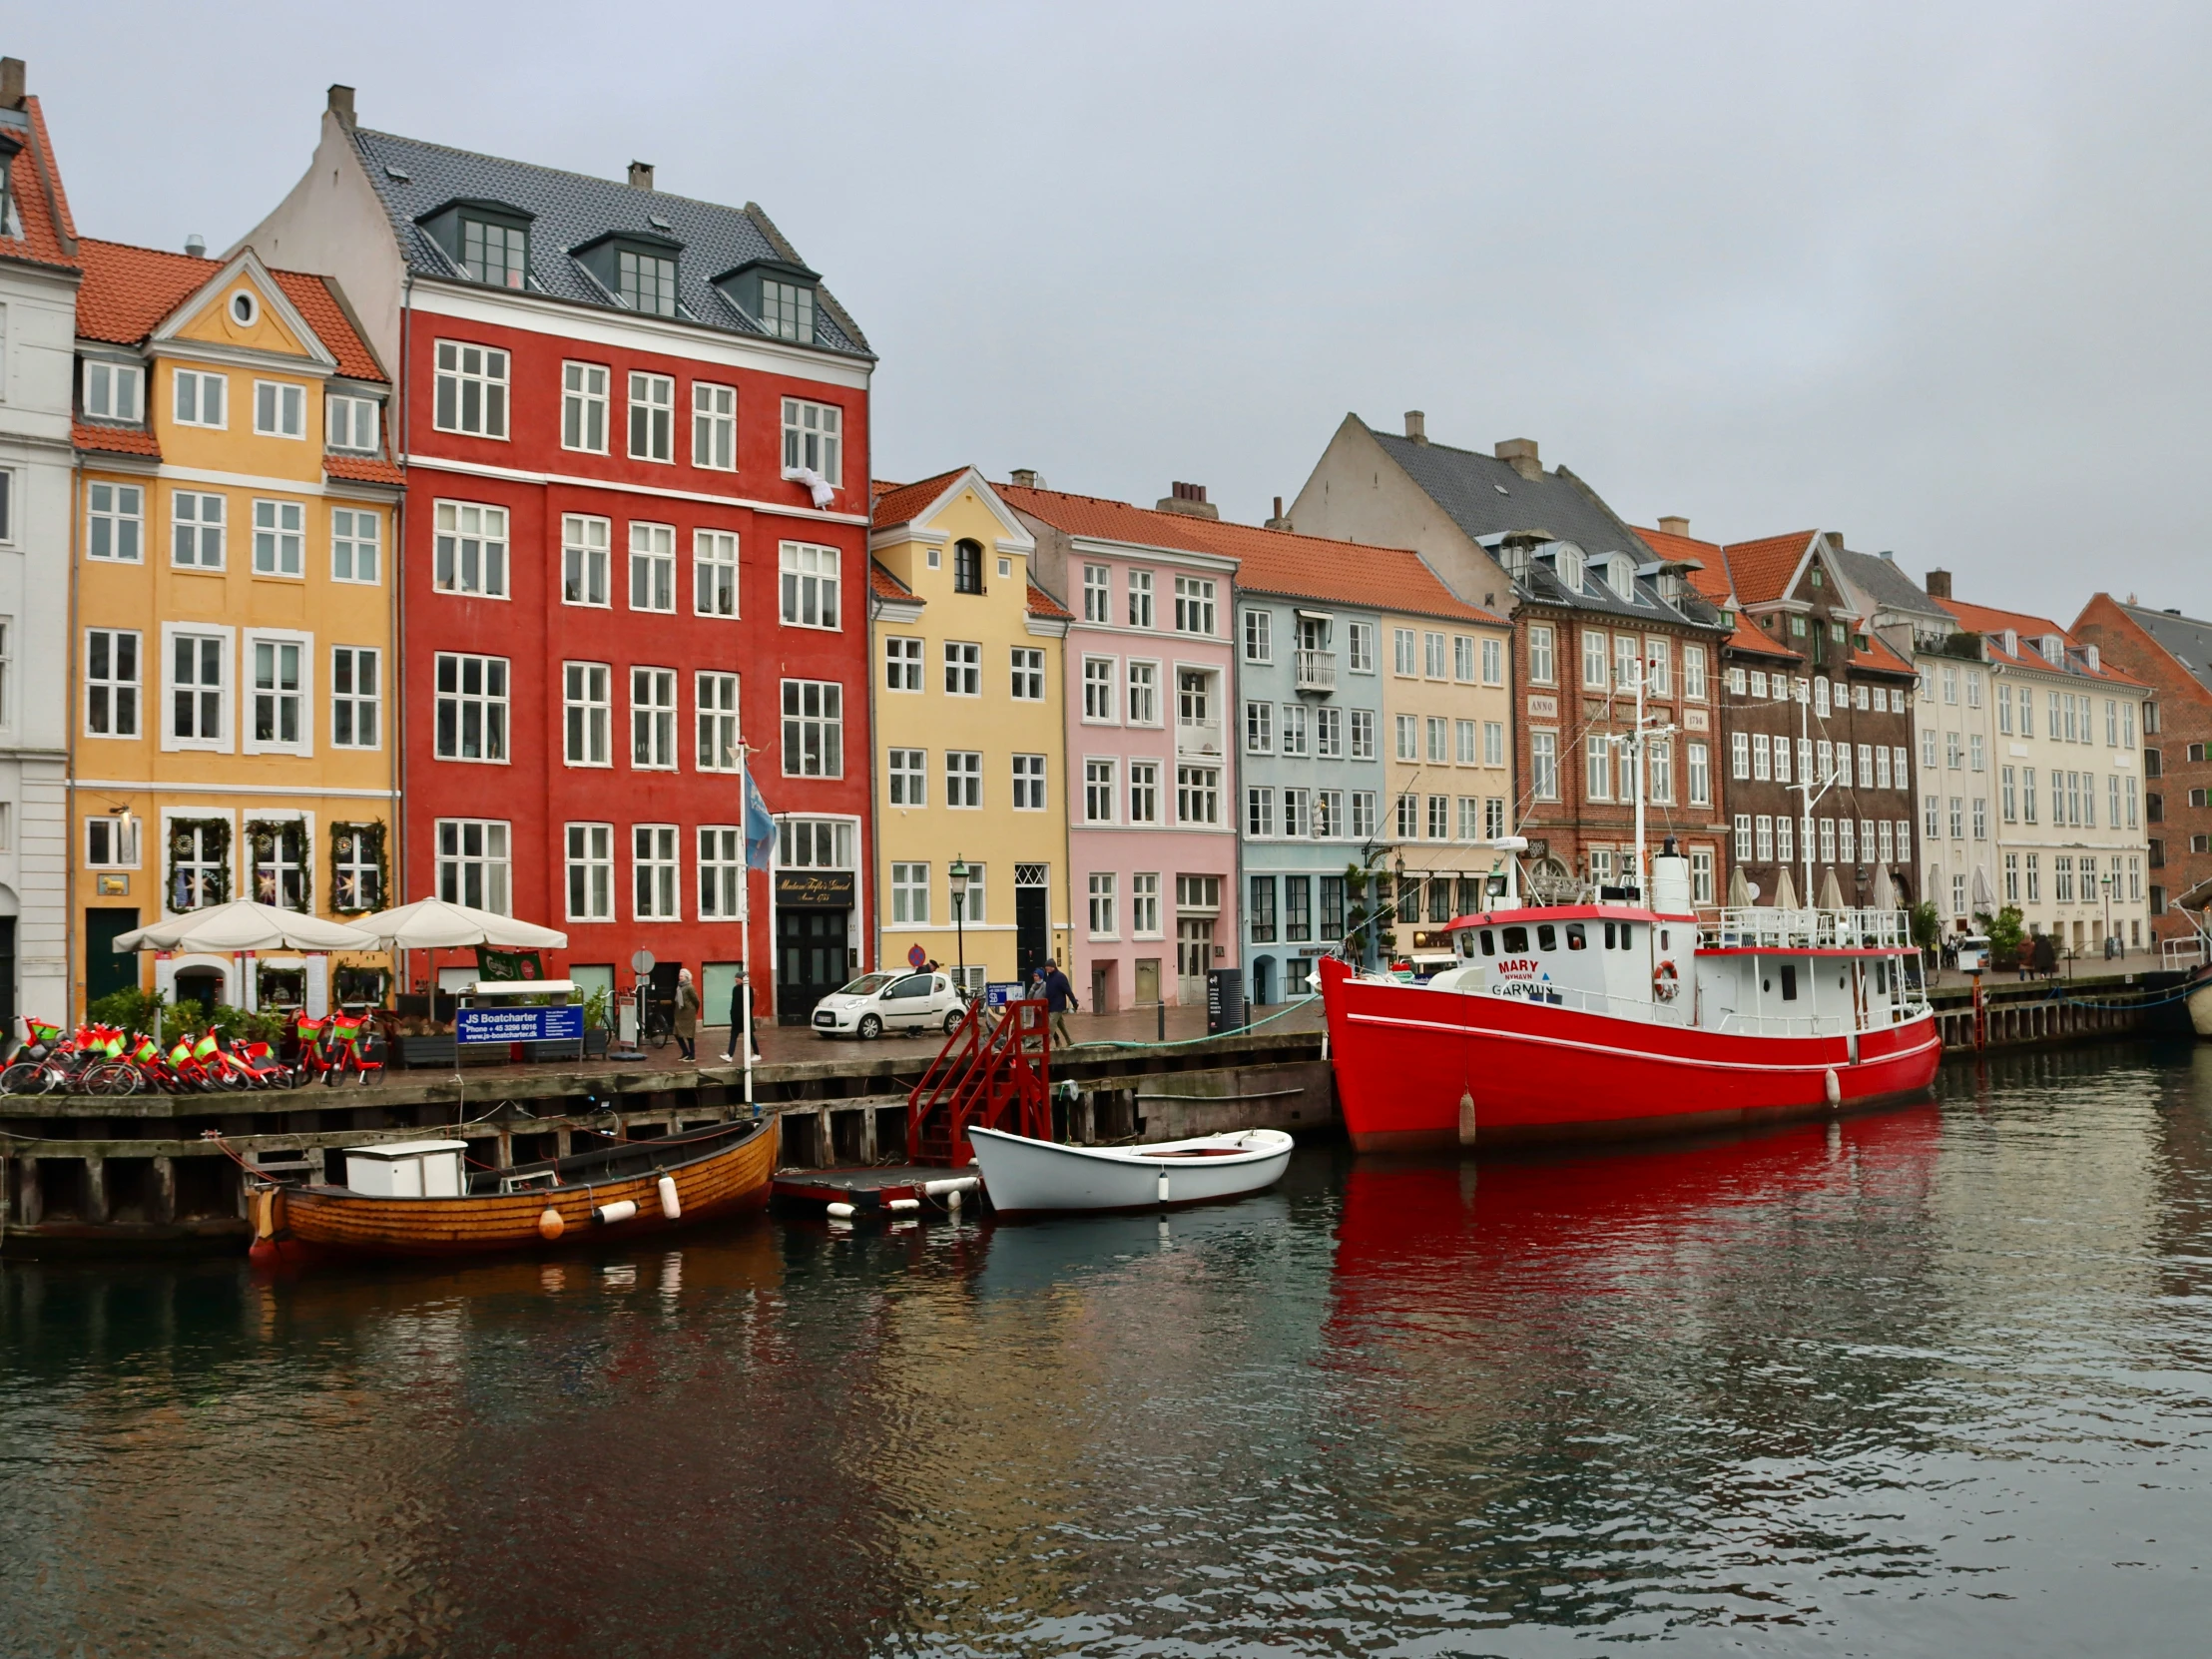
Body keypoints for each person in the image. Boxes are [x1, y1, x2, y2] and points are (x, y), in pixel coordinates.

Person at [721, 964, 761, 1063]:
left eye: (738, 978)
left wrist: (744, 1014)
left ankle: (757, 1054)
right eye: (735, 979)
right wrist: (733, 1014)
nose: (736, 980)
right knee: (733, 1036)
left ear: (743, 979)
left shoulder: (748, 989)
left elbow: (750, 1004)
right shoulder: (735, 989)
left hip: (744, 1017)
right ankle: (729, 1055)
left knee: (750, 1036)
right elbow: (734, 1003)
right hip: (736, 1018)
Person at [1040, 957, 1078, 1046]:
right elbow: (1048, 991)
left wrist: (1074, 1002)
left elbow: (1068, 991)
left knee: (1051, 1026)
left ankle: (1045, 1045)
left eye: (1048, 967)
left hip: (1058, 1006)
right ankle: (1070, 1041)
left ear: (1053, 967)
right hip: (1051, 1005)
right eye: (1046, 967)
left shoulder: (1061, 977)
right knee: (1061, 1025)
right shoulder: (1049, 977)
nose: (1046, 968)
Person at [673, 967, 700, 1061]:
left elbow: (696, 1000)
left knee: (689, 1035)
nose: (680, 977)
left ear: (687, 977)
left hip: (688, 1013)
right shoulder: (679, 986)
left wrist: (694, 1009)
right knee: (676, 1033)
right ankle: (685, 1052)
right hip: (680, 1013)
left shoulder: (689, 987)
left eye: (682, 976)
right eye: (679, 976)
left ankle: (692, 1055)